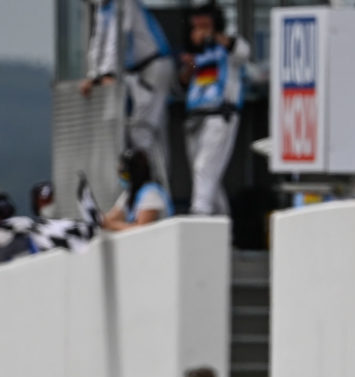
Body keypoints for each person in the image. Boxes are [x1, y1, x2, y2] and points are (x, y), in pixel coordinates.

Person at [79, 0, 175, 186]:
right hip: (138, 72)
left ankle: (153, 186)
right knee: (138, 131)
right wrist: (93, 75)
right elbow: (98, 41)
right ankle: (145, 185)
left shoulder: (125, 3)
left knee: (144, 130)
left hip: (154, 66)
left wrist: (107, 73)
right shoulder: (103, 7)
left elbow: (117, 36)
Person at [180, 2, 249, 216]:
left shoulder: (230, 45)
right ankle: (222, 224)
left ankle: (199, 215)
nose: (199, 22)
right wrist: (190, 60)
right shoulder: (196, 51)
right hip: (195, 117)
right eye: (196, 18)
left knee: (204, 168)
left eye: (204, 17)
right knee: (206, 175)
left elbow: (243, 54)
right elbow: (185, 79)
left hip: (220, 114)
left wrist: (214, 35)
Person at [103, 148, 174, 231]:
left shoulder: (151, 193)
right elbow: (112, 218)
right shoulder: (128, 194)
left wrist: (111, 225)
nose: (122, 178)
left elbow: (142, 230)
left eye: (125, 175)